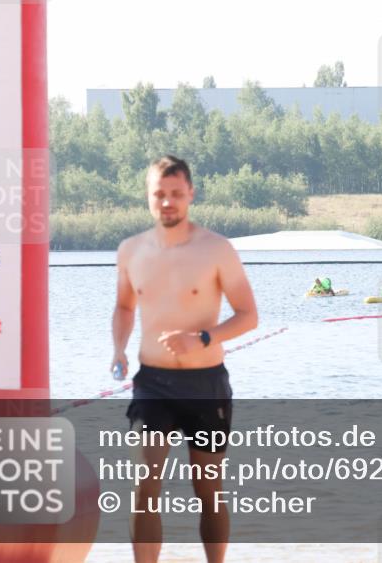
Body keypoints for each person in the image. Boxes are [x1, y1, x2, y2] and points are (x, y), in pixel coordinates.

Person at [112, 156, 258, 563]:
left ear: (190, 194)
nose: (167, 202)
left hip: (205, 383)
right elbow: (124, 308)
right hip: (152, 384)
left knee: (208, 490)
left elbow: (249, 315)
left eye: (176, 194)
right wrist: (118, 349)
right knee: (143, 484)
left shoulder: (216, 249)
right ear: (148, 196)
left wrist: (204, 338)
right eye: (159, 194)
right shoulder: (131, 250)